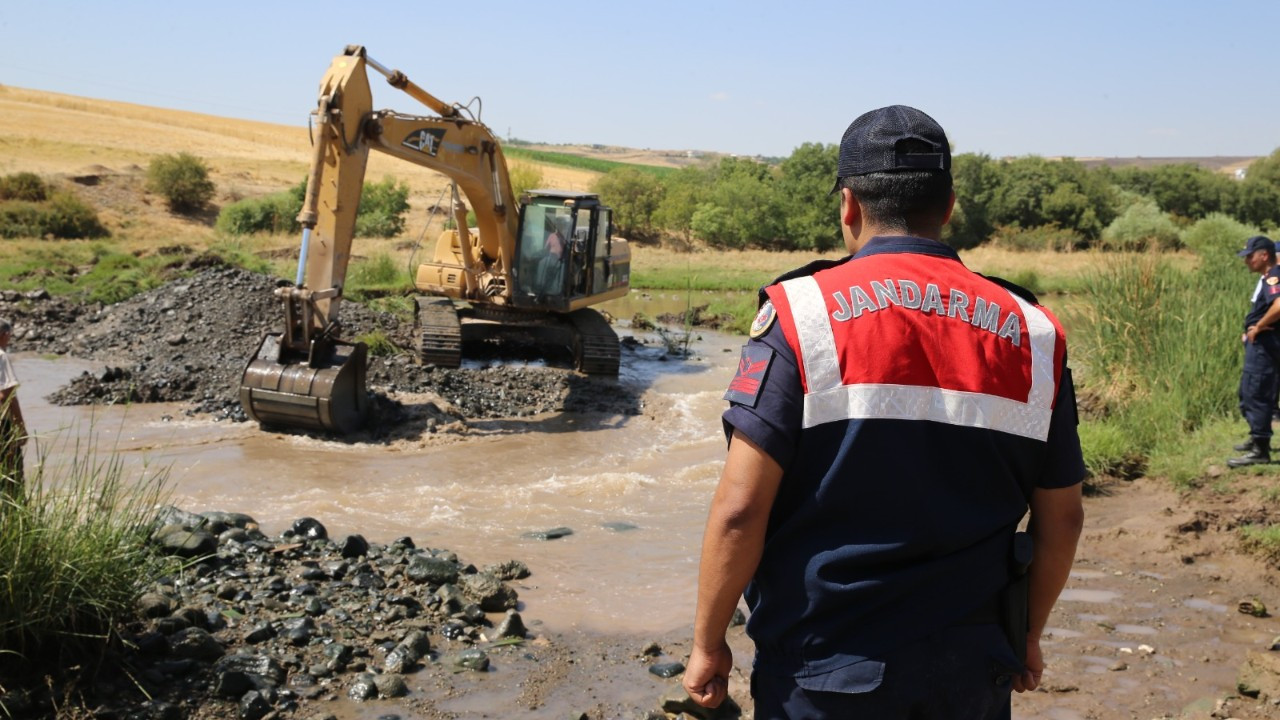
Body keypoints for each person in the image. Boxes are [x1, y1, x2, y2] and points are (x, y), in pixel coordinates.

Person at [684, 105, 1086, 719]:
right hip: (972, 671)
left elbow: (740, 509)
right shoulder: (1033, 333)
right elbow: (1063, 520)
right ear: (949, 206)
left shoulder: (802, 317)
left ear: (849, 205)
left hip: (825, 670)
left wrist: (707, 644)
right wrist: (1027, 635)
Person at [1228, 235, 1280, 467]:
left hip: (1265, 345)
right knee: (1250, 392)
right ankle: (1257, 439)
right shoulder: (1269, 276)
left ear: (1264, 255)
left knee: (1256, 392)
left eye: (1250, 256)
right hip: (1262, 344)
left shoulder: (1274, 277)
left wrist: (1258, 326)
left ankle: (1260, 450)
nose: (1246, 261)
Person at [0, 318, 28, 493]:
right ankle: (14, 518)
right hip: (2, 428)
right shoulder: (1, 356)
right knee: (12, 480)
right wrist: (20, 429)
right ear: (5, 335)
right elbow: (6, 396)